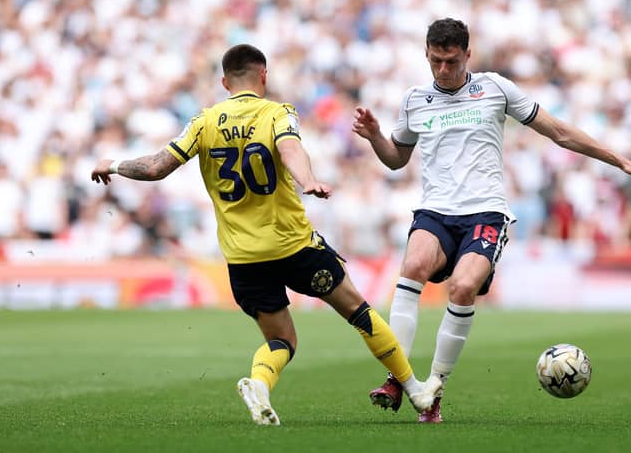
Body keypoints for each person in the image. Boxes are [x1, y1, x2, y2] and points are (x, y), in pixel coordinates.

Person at [91, 44, 430, 426]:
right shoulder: (277, 112)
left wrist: (113, 164)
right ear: (264, 76)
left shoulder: (204, 122)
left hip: (243, 258)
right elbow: (289, 148)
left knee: (282, 341)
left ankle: (260, 384)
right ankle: (416, 390)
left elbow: (156, 168)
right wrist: (308, 181)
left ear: (224, 81)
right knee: (359, 312)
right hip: (292, 245)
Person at [352, 18, 631, 423]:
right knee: (411, 266)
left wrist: (617, 158)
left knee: (463, 288)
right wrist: (376, 136)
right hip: (435, 210)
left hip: (485, 212)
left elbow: (558, 132)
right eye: (435, 62)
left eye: (450, 61)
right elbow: (396, 159)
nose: (443, 71)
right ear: (426, 56)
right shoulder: (415, 99)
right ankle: (397, 378)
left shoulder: (495, 89)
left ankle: (434, 389)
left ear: (468, 54)